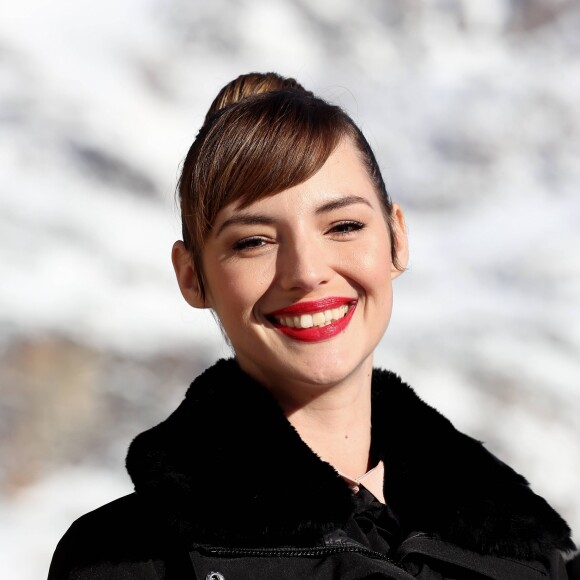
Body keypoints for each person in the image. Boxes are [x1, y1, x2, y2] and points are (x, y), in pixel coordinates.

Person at [48, 72, 576, 579]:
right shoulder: (125, 560)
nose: (305, 272)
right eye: (253, 241)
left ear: (396, 238)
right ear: (193, 277)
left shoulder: (528, 556)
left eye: (343, 226)